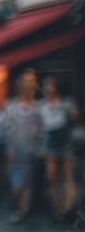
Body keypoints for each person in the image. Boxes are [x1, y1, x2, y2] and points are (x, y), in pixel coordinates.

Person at [39, 75, 80, 221]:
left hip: (65, 140)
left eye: (51, 85)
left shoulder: (66, 102)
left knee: (66, 174)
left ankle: (67, 206)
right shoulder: (41, 106)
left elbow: (76, 118)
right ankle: (56, 208)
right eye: (46, 85)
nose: (48, 88)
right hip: (49, 141)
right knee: (51, 176)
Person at [4, 68, 42, 225]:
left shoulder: (37, 107)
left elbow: (40, 130)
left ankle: (23, 211)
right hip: (15, 152)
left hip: (31, 151)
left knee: (27, 183)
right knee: (17, 186)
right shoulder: (10, 106)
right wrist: (9, 150)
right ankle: (16, 209)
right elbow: (7, 130)